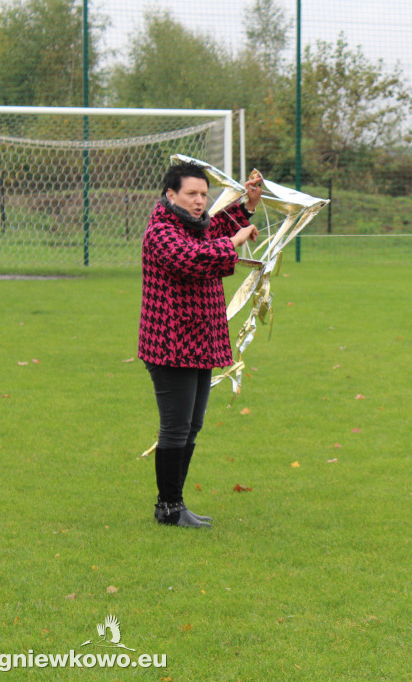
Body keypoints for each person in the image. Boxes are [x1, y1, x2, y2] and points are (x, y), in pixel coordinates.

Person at [138, 161, 262, 528]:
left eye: (204, 195)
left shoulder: (196, 225)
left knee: (192, 426)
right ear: (170, 195)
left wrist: (249, 205)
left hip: (199, 342)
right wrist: (234, 242)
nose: (199, 201)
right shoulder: (161, 232)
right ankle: (170, 507)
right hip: (170, 346)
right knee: (176, 428)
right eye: (191, 194)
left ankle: (173, 505)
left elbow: (216, 229)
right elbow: (193, 259)